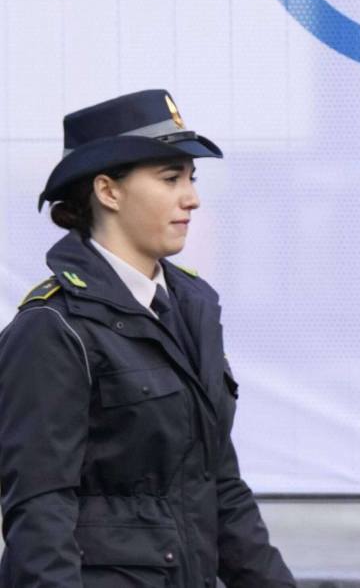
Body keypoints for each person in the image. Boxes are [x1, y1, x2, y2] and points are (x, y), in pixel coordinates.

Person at [0, 89, 296, 588]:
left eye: (192, 179)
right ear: (108, 191)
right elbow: (39, 514)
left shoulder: (193, 308)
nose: (192, 198)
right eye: (170, 179)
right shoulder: (52, 327)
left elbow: (220, 489)